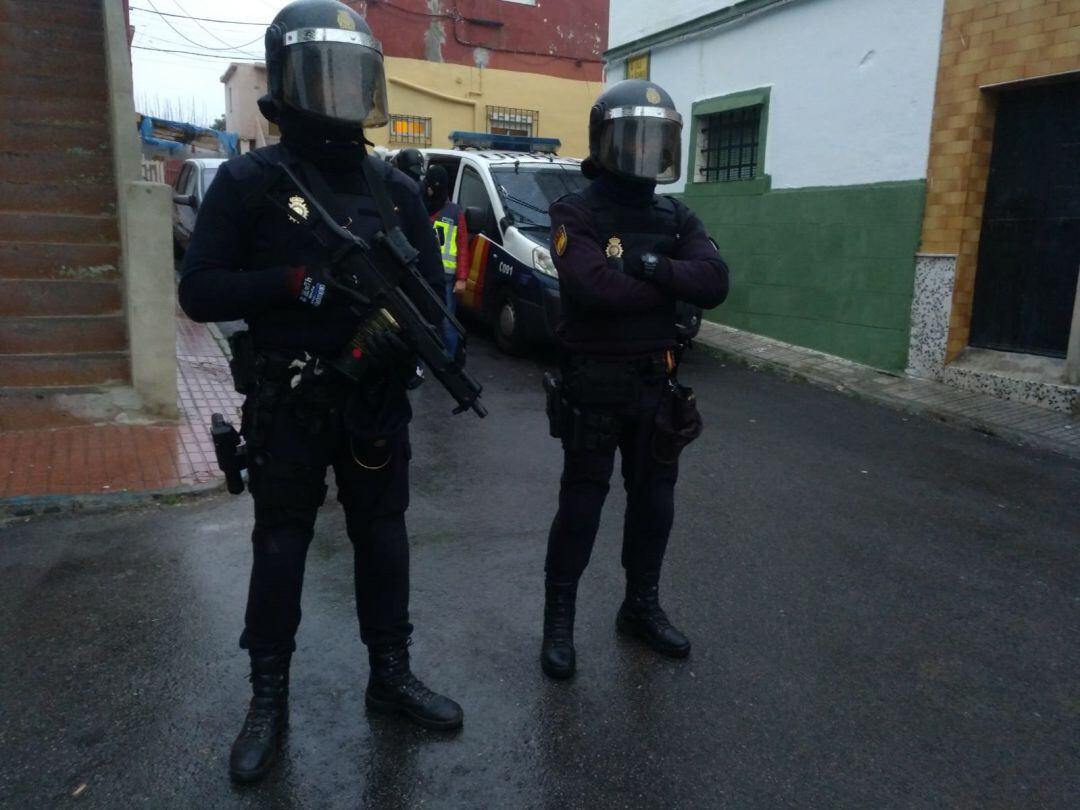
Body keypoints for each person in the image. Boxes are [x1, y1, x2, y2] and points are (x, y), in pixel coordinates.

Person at [178, 0, 463, 784]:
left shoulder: (395, 188)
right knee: (281, 547)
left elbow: (435, 301)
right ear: (289, 84)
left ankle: (391, 675)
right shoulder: (247, 182)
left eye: (352, 77)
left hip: (373, 401)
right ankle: (268, 699)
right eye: (323, 76)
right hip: (291, 401)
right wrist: (292, 284)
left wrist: (416, 338)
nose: (339, 95)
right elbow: (199, 290)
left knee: (384, 539)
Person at [540, 79, 730, 680]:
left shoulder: (675, 214)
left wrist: (647, 266)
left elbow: (715, 282)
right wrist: (670, 287)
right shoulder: (577, 209)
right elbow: (591, 287)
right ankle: (559, 624)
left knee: (655, 504)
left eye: (656, 140)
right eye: (633, 139)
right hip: (596, 385)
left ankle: (639, 607)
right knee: (581, 506)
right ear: (606, 141)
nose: (645, 152)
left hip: (656, 386)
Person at [422, 165, 470, 357]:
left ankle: (449, 362)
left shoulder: (454, 212)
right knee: (420, 319)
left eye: (432, 185)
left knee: (447, 323)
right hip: (422, 274)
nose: (429, 189)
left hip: (446, 278)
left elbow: (463, 247)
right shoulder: (420, 206)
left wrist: (462, 278)